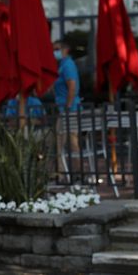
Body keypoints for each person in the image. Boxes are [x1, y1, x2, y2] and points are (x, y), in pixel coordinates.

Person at [53, 40, 81, 176]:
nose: (54, 52)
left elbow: (72, 87)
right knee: (64, 141)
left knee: (67, 142)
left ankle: (68, 172)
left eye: (57, 49)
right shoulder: (62, 65)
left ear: (66, 49)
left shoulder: (68, 65)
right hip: (65, 109)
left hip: (69, 110)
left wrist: (68, 107)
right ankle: (66, 171)